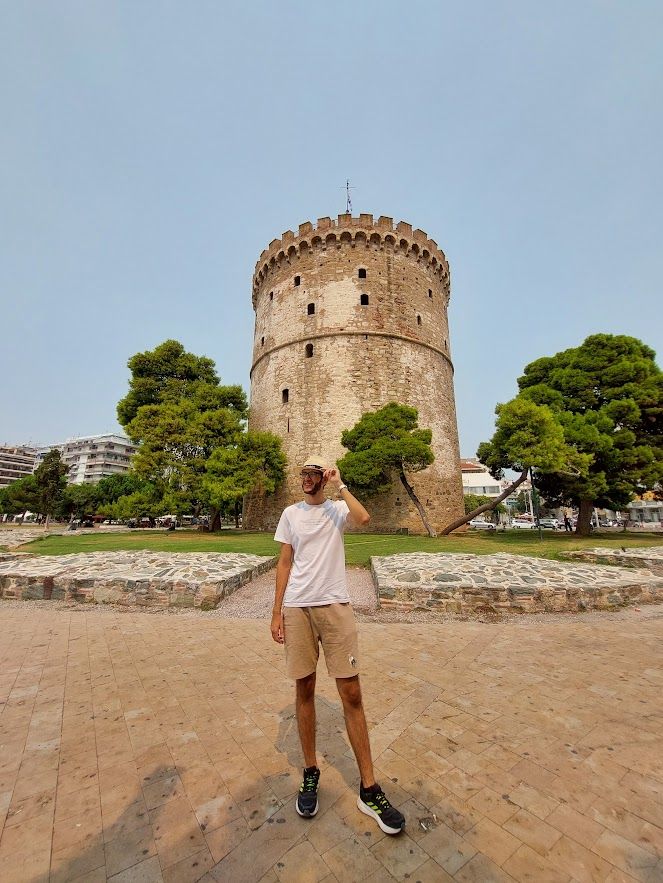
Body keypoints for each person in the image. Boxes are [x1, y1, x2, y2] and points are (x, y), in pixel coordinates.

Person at [270, 456, 405, 835]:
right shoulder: (290, 514)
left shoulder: (337, 509)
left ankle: (369, 788)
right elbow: (284, 563)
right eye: (304, 473)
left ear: (323, 478)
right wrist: (276, 611)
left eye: (313, 474)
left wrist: (340, 483)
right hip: (297, 607)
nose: (307, 478)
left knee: (352, 693)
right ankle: (310, 770)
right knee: (304, 687)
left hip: (335, 605)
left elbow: (365, 518)